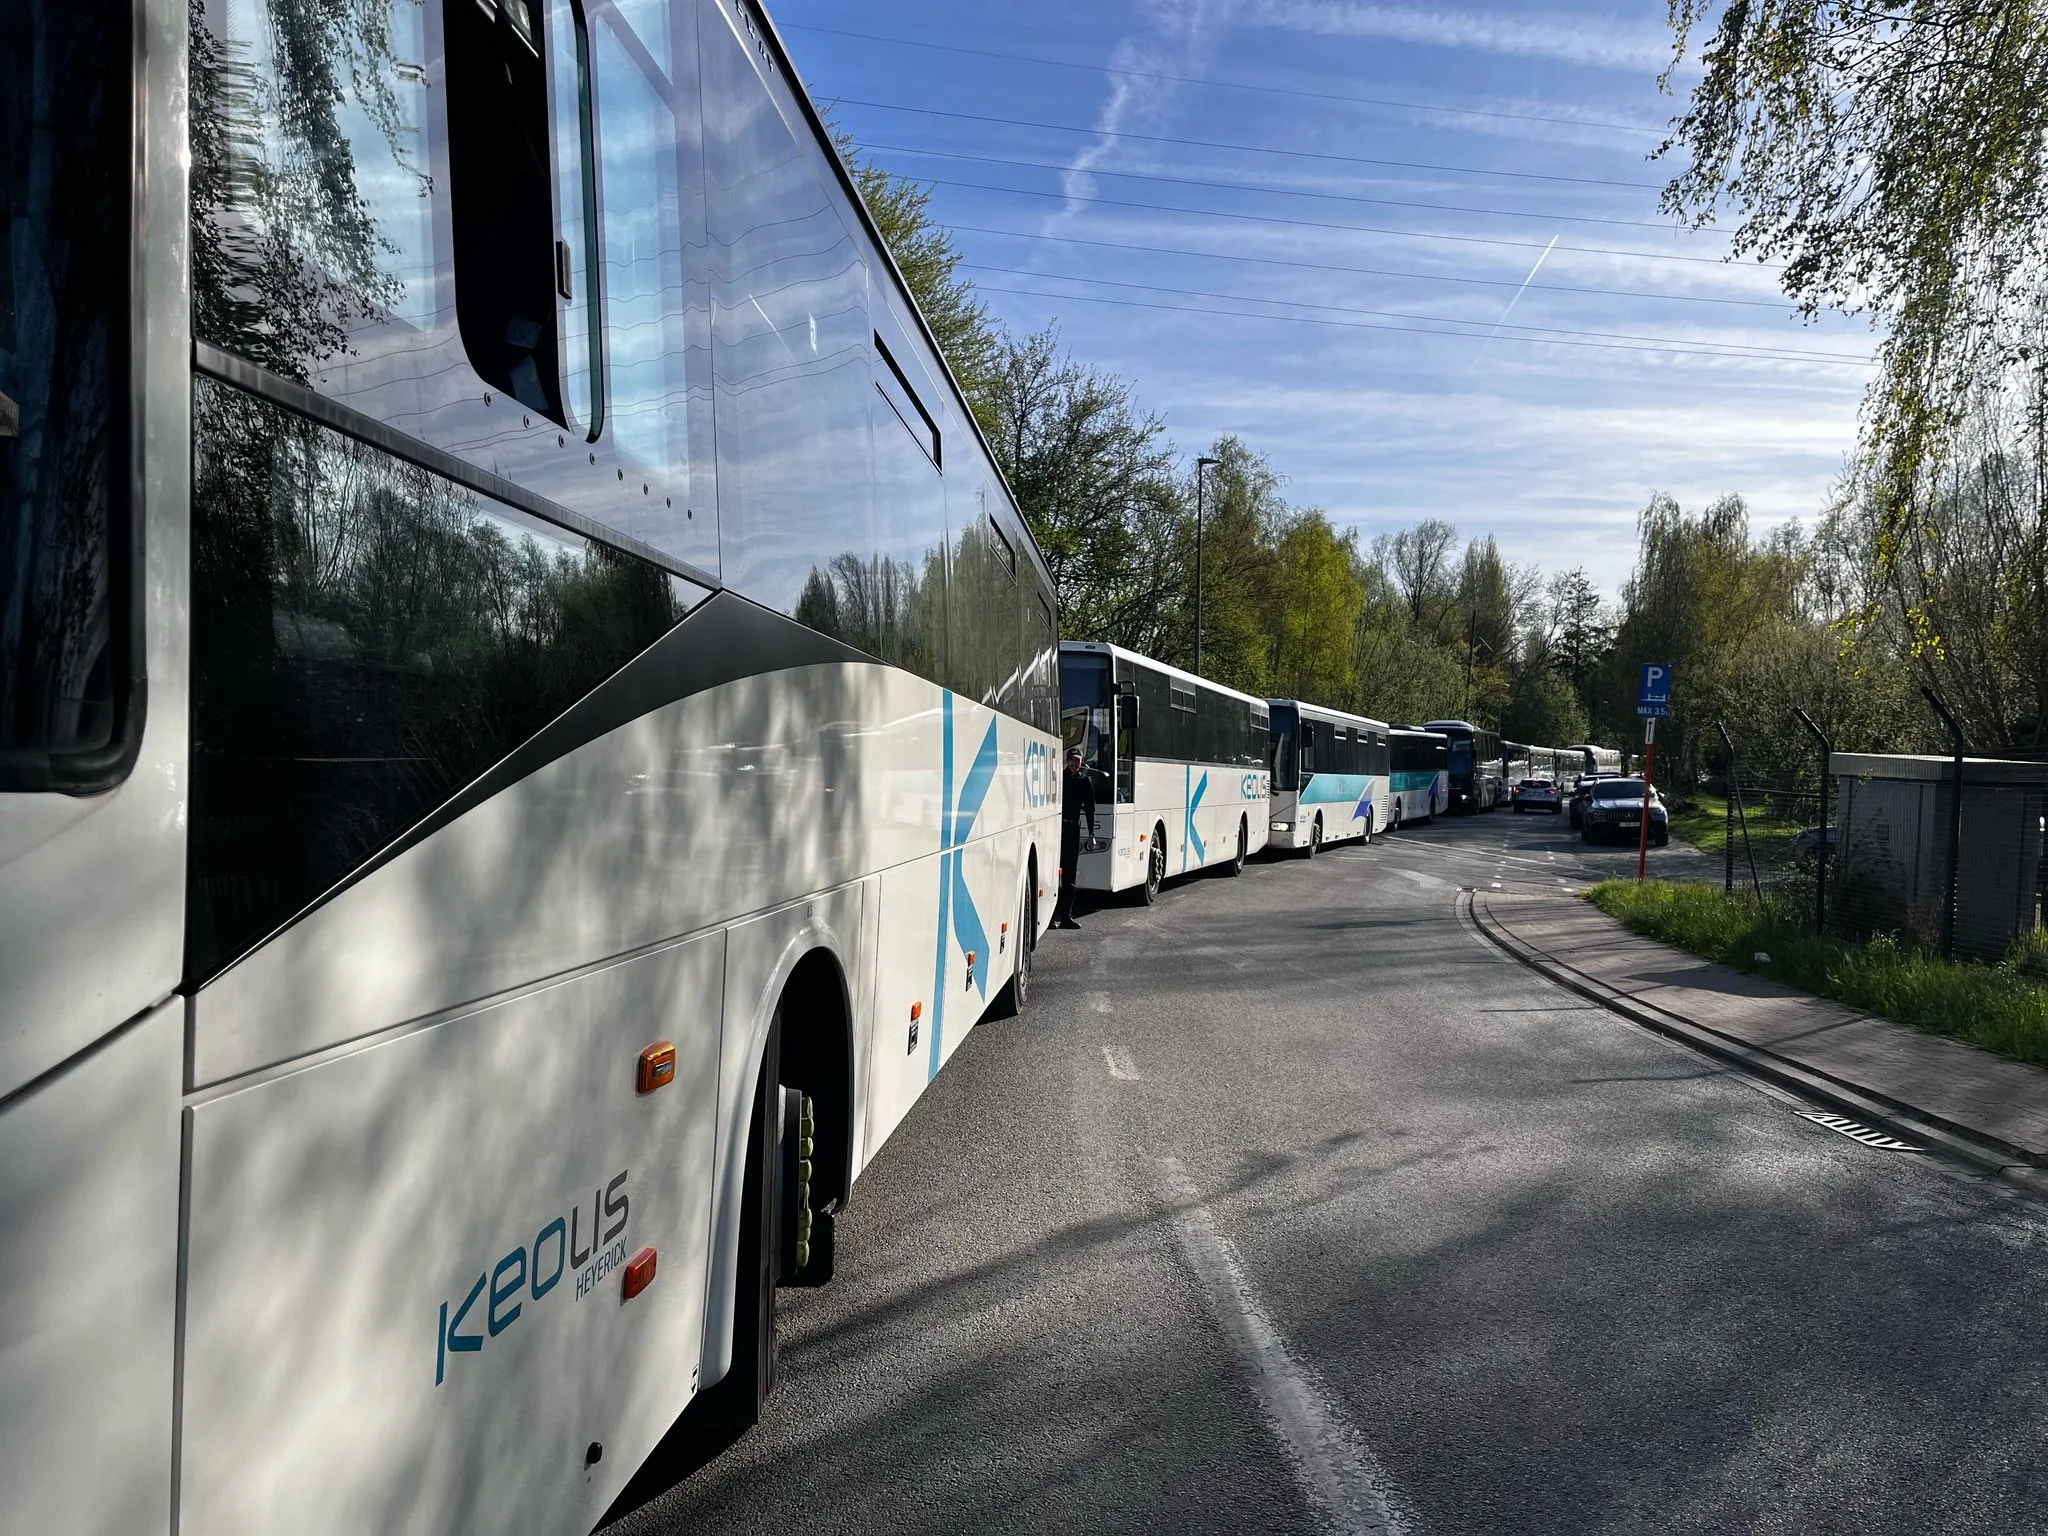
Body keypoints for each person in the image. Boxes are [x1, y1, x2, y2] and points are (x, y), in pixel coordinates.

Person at [1055, 745, 1097, 929]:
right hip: (1056, 829)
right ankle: (1051, 917)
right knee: (1052, 874)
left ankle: (1066, 916)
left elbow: (1090, 809)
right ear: (1067, 761)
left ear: (1082, 763)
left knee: (1070, 876)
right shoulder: (1058, 778)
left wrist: (1091, 834)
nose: (1074, 763)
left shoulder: (1085, 782)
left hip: (1072, 830)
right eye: (1071, 759)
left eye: (1077, 760)